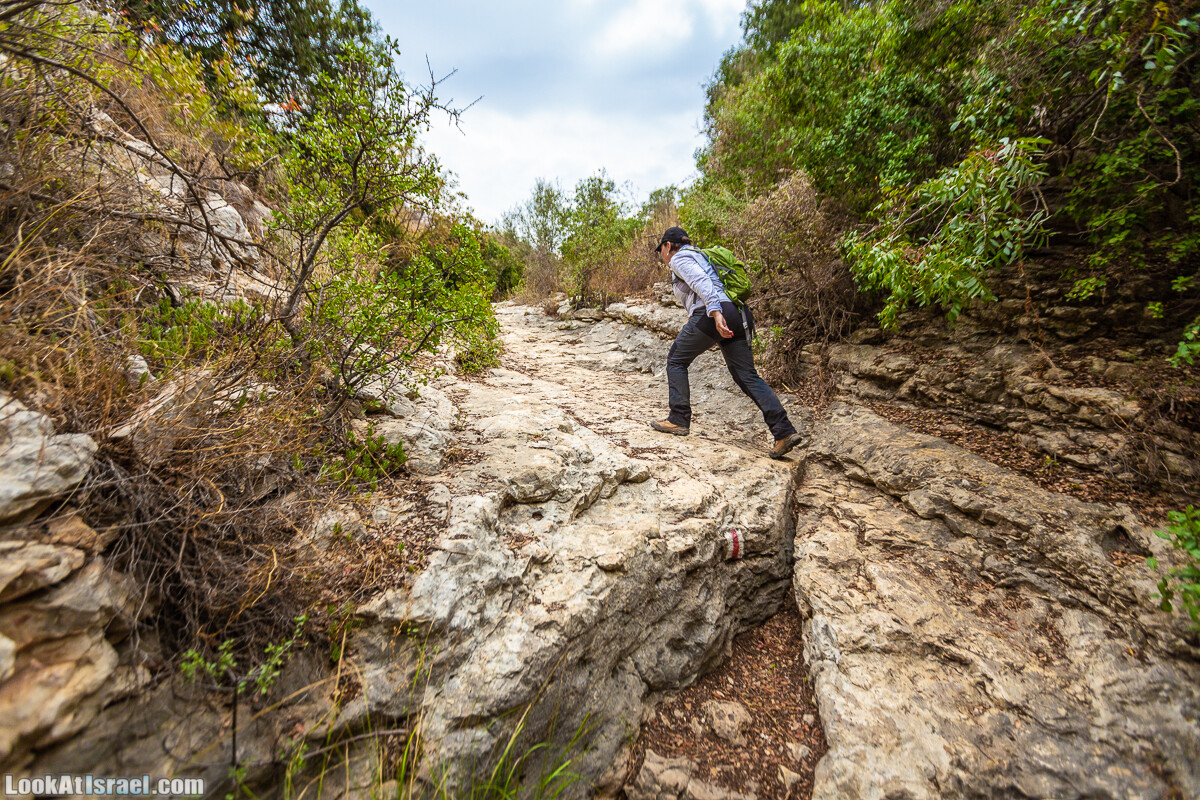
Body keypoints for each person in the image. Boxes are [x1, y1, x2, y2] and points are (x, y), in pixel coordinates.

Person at [650, 226, 804, 459]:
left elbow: (702, 283)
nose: (661, 254)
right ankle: (783, 432)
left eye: (660, 249)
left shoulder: (680, 258)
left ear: (668, 246)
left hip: (713, 313)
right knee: (747, 375)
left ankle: (678, 419)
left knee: (676, 360)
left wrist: (714, 311)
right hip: (737, 312)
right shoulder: (701, 255)